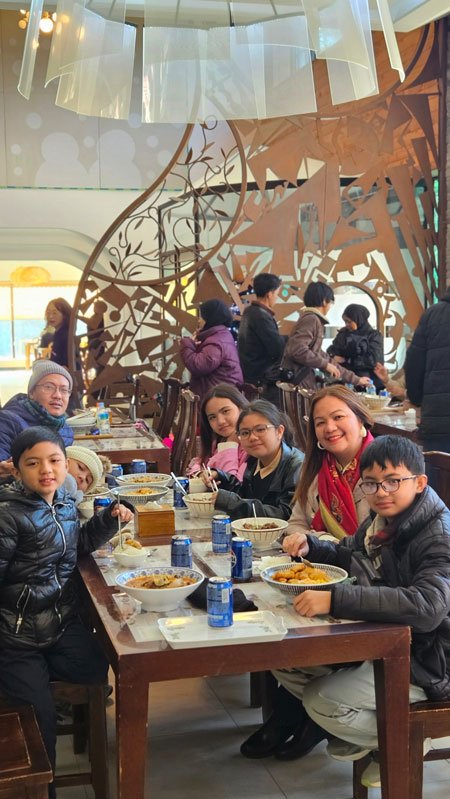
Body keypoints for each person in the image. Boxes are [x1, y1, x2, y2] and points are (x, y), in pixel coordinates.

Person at [243, 436, 450, 790]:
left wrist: (335, 599)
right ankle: (373, 738)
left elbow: (428, 607)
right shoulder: (383, 520)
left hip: (432, 659)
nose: (381, 491)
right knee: (283, 659)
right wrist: (315, 547)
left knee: (320, 699)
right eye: (371, 483)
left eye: (393, 481)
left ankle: (400, 743)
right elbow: (352, 554)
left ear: (419, 482)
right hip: (387, 641)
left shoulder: (437, 534)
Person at [0, 426, 133, 799]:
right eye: (33, 463)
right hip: (16, 635)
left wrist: (109, 521)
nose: (46, 470)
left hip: (57, 624)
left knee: (95, 666)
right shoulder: (8, 514)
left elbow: (75, 546)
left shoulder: (62, 502)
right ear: (17, 469)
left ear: (65, 463)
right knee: (39, 716)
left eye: (54, 460)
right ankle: (46, 790)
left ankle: (41, 691)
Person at [285, 385, 374, 545]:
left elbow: (379, 539)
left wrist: (322, 544)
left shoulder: (384, 466)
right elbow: (295, 525)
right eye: (320, 423)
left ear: (360, 419)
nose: (330, 428)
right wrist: (323, 540)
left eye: (338, 417)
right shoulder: (316, 469)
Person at [203, 400, 304, 520]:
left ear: (279, 431)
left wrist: (233, 503)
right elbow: (244, 494)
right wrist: (221, 477)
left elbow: (286, 514)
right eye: (245, 433)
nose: (252, 438)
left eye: (260, 429)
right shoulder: (254, 460)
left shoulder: (297, 465)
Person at [281, 282, 371, 391]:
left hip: (302, 382)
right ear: (324, 301)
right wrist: (325, 365)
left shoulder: (312, 319)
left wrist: (356, 379)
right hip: (299, 384)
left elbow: (321, 355)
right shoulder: (312, 319)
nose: (330, 307)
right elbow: (298, 350)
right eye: (331, 302)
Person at [0, 360, 75, 478]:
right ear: (31, 393)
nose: (58, 395)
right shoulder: (8, 420)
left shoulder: (66, 431)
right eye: (49, 387)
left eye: (64, 390)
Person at [405, 287, 450, 455]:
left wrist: (417, 400)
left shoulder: (432, 315)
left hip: (438, 421)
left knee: (440, 477)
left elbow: (414, 363)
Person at [179, 299, 243, 401]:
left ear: (210, 318)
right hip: (219, 393)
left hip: (219, 397)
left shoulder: (217, 341)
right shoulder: (220, 335)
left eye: (201, 317)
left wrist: (187, 344)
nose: (198, 320)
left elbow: (198, 365)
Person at [237, 273, 286, 404]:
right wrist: (291, 340)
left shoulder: (250, 312)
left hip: (251, 377)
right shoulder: (260, 316)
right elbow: (276, 348)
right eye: (277, 293)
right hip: (262, 380)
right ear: (269, 294)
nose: (277, 297)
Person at [186, 384, 249, 480]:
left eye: (225, 411)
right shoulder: (218, 440)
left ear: (241, 408)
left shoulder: (251, 445)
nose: (220, 421)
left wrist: (230, 445)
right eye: (212, 417)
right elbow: (199, 463)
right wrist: (200, 474)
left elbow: (231, 484)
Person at [327, 304, 384, 390]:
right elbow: (331, 350)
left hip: (368, 384)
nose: (346, 324)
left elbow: (373, 360)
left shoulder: (374, 335)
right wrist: (333, 356)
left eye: (349, 321)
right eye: (345, 321)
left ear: (359, 319)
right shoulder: (344, 333)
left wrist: (347, 360)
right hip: (345, 381)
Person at [45, 298, 73, 368]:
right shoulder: (58, 333)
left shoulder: (65, 335)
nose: (50, 316)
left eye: (54, 313)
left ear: (64, 315)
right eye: (48, 313)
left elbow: (66, 366)